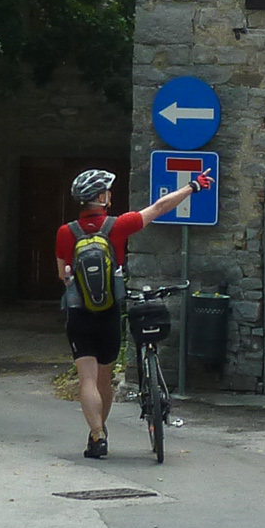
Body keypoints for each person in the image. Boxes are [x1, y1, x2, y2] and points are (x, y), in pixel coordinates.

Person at [56, 168, 206, 458]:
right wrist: (192, 186)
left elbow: (62, 274)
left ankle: (97, 436)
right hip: (110, 312)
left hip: (79, 314)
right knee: (104, 378)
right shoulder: (118, 226)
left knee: (87, 379)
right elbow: (159, 207)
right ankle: (99, 429)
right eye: (107, 192)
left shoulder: (66, 232)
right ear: (100, 198)